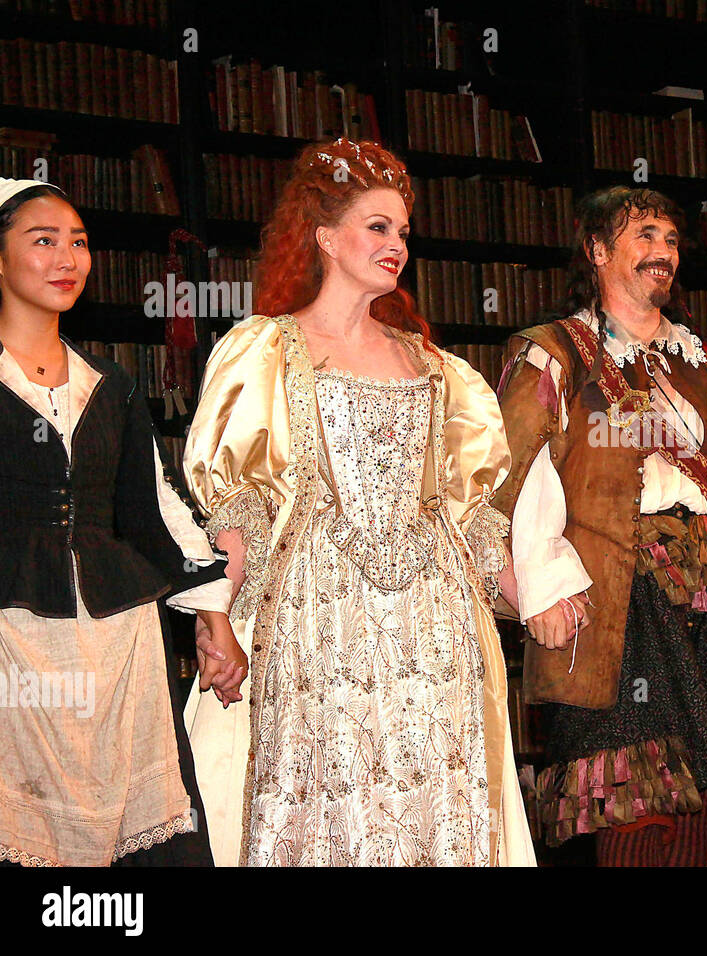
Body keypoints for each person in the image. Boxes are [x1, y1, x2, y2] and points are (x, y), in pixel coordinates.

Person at [181, 139, 535, 866]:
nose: (396, 244)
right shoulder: (264, 352)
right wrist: (215, 616)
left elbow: (470, 517)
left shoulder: (442, 371)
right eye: (377, 226)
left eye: (402, 231)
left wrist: (545, 595)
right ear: (323, 236)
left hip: (434, 635)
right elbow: (240, 507)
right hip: (316, 628)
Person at [493, 186, 707, 866]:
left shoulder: (704, 363)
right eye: (643, 235)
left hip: (703, 592)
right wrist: (536, 587)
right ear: (597, 250)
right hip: (609, 599)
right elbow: (515, 477)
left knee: (696, 793)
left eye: (670, 239)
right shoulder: (554, 354)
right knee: (636, 799)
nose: (661, 252)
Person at [0, 178, 236, 867]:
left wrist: (211, 614)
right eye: (42, 241)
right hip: (8, 641)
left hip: (117, 647)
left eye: (78, 241)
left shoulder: (111, 382)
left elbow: (156, 508)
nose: (67, 256)